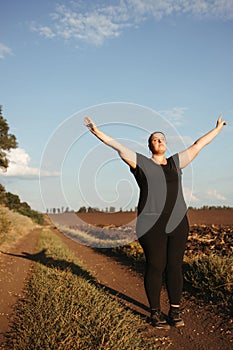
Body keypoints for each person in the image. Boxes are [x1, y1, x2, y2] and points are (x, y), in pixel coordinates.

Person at [84, 115, 226, 330]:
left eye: (161, 139)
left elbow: (198, 145)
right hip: (151, 226)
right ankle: (154, 313)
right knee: (156, 265)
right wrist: (96, 131)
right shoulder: (140, 163)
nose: (158, 141)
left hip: (178, 223)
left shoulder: (176, 163)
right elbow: (117, 146)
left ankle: (175, 310)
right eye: (154, 139)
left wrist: (217, 129)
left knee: (175, 267)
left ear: (166, 144)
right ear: (149, 145)